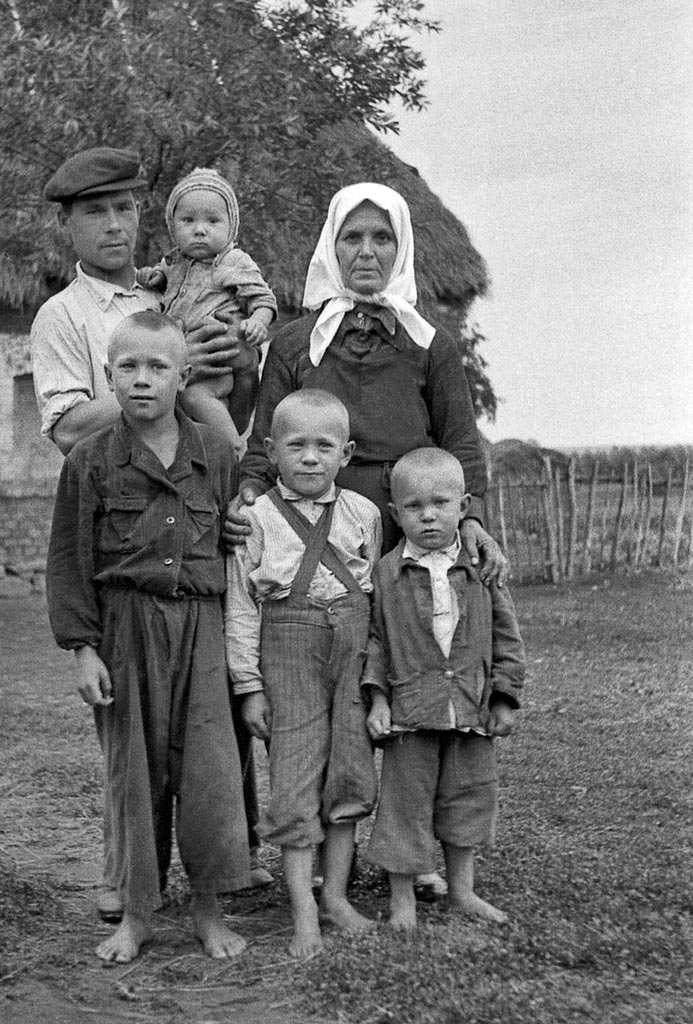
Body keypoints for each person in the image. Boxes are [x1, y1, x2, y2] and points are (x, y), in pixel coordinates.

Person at [31, 147, 270, 922]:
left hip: (195, 518)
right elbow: (69, 425)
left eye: (126, 208)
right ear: (68, 224)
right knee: (129, 740)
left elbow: (234, 403)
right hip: (122, 529)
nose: (114, 224)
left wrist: (224, 360)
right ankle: (124, 878)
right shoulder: (63, 316)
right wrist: (165, 370)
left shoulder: (177, 285)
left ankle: (229, 865)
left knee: (209, 728)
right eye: (95, 211)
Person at [45, 310, 252, 964]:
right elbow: (69, 559)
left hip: (202, 628)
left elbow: (236, 528)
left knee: (211, 771)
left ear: (183, 376)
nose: (141, 380)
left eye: (157, 367)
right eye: (127, 367)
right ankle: (136, 915)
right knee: (134, 777)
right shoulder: (88, 460)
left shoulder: (215, 452)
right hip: (126, 630)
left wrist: (241, 522)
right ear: (108, 376)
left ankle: (208, 911)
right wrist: (84, 649)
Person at [226, 181, 505, 577]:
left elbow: (460, 442)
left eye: (382, 238)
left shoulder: (430, 345)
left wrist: (472, 518)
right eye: (352, 237)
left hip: (408, 525)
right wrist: (249, 493)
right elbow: (264, 443)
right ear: (332, 247)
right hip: (312, 523)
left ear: (401, 247)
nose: (367, 251)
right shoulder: (293, 344)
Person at [225, 388, 382, 958]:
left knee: (348, 772)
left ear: (347, 453)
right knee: (294, 783)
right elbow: (242, 606)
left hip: (352, 652)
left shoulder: (365, 514)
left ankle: (335, 898)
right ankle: (303, 914)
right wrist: (249, 686)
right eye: (296, 446)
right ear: (271, 450)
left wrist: (376, 681)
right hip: (286, 653)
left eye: (325, 446)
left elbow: (377, 602)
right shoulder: (255, 518)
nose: (311, 458)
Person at [362, 448, 526, 931]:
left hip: (470, 708)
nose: (428, 515)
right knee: (404, 805)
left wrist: (503, 696)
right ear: (395, 513)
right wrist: (378, 699)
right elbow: (375, 643)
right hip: (412, 710)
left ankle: (463, 891)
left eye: (440, 503)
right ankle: (402, 903)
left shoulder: (482, 567)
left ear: (464, 505)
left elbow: (506, 636)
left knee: (468, 798)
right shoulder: (386, 575)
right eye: (413, 506)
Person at [138, 167, 278, 452]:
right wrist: (153, 278)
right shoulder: (173, 263)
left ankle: (234, 449)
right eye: (187, 220)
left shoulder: (232, 261)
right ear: (173, 225)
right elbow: (163, 281)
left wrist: (257, 323)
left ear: (231, 226)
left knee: (194, 397)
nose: (199, 229)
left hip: (217, 363)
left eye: (213, 221)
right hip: (186, 359)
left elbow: (263, 299)